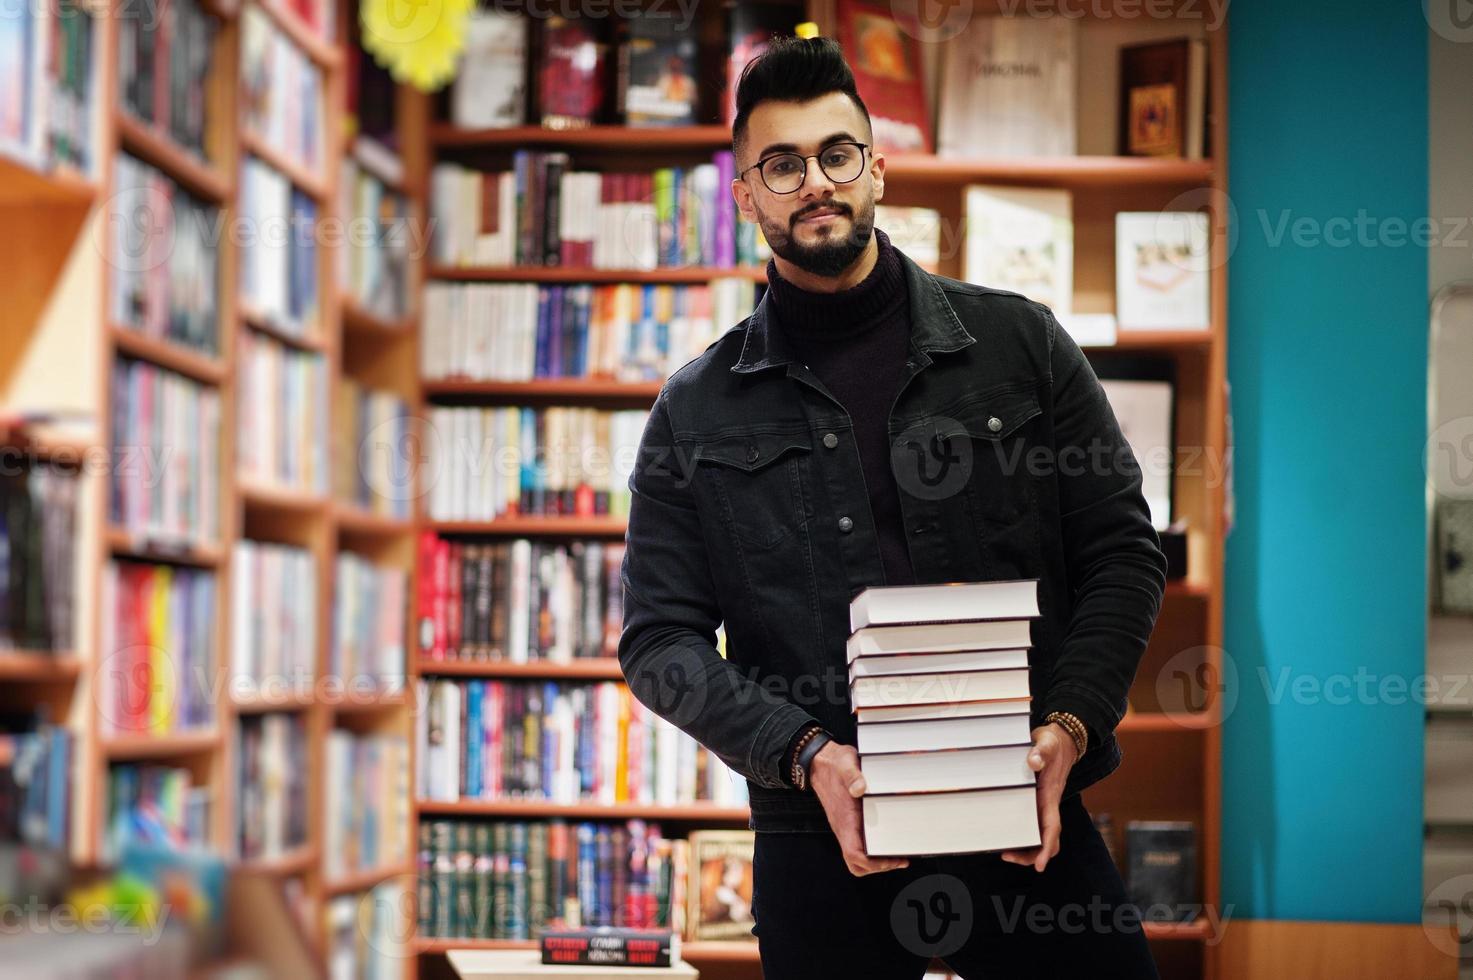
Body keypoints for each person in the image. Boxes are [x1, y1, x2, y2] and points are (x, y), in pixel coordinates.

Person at [618, 35, 1167, 979]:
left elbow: (1123, 552)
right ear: (744, 194)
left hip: (1022, 811)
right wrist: (807, 757)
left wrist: (1069, 727)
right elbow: (656, 642)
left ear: (875, 166)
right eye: (781, 165)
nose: (814, 182)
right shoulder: (694, 408)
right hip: (819, 830)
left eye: (836, 154)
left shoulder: (1020, 344)